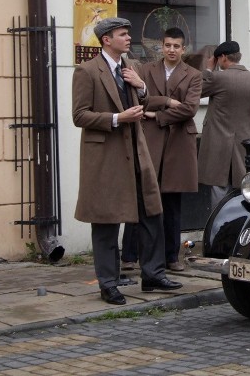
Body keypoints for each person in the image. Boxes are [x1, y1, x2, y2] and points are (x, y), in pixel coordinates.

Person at [71, 17, 182, 306]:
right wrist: (118, 119)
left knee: (151, 214)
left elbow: (141, 104)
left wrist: (143, 88)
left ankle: (153, 275)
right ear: (106, 39)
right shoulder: (87, 71)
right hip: (106, 157)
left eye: (127, 34)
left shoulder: (130, 68)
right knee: (106, 222)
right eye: (123, 34)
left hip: (136, 151)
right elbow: (79, 116)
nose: (128, 38)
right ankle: (108, 283)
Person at [122, 28, 201, 272]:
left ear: (183, 49)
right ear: (161, 46)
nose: (171, 50)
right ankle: (129, 256)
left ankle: (171, 258)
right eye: (167, 45)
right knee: (142, 198)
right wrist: (166, 101)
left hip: (178, 144)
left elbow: (189, 109)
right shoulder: (147, 70)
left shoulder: (194, 75)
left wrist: (158, 114)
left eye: (176, 46)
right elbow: (140, 99)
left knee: (172, 203)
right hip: (151, 141)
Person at [198, 41, 250, 209]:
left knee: (219, 190)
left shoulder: (217, 77)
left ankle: (220, 230)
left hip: (217, 144)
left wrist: (207, 70)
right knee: (243, 188)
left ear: (222, 58)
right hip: (244, 143)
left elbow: (195, 91)